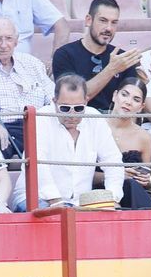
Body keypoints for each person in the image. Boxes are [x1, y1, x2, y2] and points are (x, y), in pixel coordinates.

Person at [34, 74, 124, 209]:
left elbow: (113, 160)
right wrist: (55, 201)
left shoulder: (94, 118)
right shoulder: (41, 117)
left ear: (86, 102)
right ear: (54, 101)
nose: (72, 114)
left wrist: (113, 198)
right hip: (39, 200)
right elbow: (39, 165)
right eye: (65, 108)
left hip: (80, 204)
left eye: (78, 108)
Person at [0, 16, 52, 155]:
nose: (4, 45)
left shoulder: (33, 63)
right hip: (0, 128)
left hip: (37, 128)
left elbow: (53, 99)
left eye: (9, 38)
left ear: (17, 41)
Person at [53, 0, 142, 114]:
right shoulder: (64, 54)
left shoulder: (122, 59)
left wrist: (143, 82)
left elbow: (131, 106)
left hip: (115, 123)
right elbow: (72, 99)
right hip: (78, 121)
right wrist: (111, 70)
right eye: (103, 20)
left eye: (114, 22)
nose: (109, 28)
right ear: (88, 20)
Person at [108, 76, 151, 209]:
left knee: (132, 186)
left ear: (141, 107)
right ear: (114, 95)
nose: (128, 102)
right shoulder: (96, 127)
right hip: (98, 194)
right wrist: (118, 175)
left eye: (136, 99)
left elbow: (149, 181)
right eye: (125, 95)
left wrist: (148, 180)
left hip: (132, 198)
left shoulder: (144, 137)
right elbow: (83, 172)